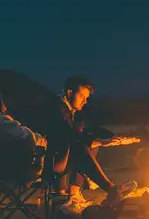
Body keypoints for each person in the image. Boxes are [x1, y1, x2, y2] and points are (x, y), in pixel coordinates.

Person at [38, 74, 128, 209]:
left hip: (59, 156)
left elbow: (90, 129)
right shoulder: (56, 108)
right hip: (44, 159)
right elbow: (67, 136)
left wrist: (112, 137)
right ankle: (110, 189)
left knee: (91, 146)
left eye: (86, 98)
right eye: (81, 96)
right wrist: (101, 142)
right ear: (69, 92)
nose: (84, 101)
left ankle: (74, 193)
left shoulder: (72, 110)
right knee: (81, 147)